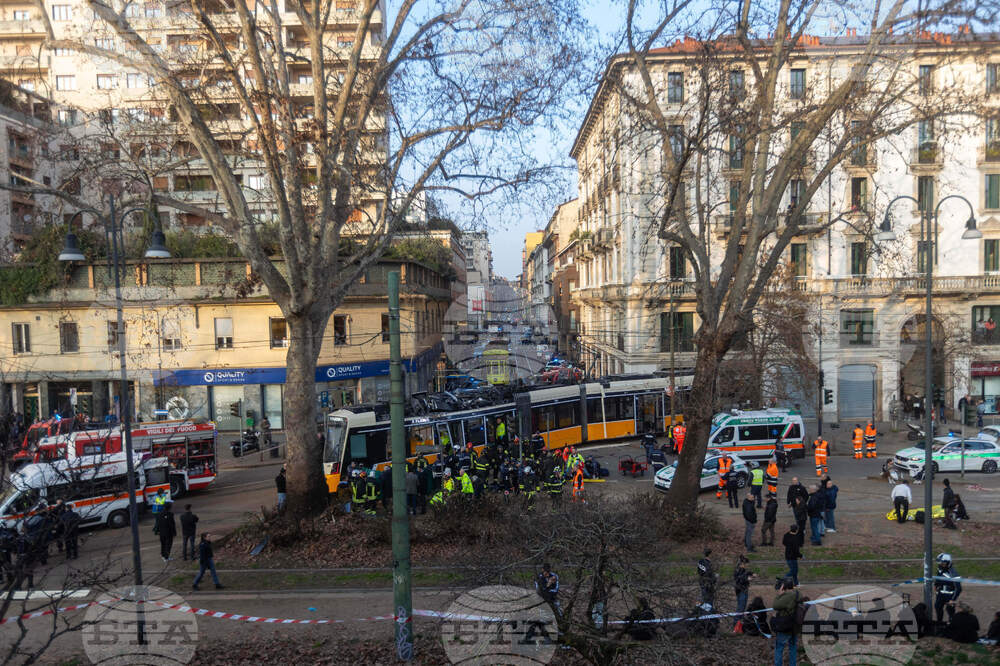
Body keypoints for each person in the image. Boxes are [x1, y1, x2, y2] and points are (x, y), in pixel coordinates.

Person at [772, 578, 801, 666]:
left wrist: (779, 595)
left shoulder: (787, 595)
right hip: (795, 626)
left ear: (784, 586)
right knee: (792, 648)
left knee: (779, 648)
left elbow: (775, 605)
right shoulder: (798, 593)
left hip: (785, 626)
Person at [934, 552, 962, 625]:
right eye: (940, 563)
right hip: (940, 594)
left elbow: (958, 588)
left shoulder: (953, 573)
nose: (940, 564)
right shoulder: (940, 570)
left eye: (942, 563)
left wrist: (952, 599)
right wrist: (936, 586)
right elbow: (938, 579)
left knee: (950, 610)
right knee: (938, 607)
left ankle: (951, 625)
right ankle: (939, 624)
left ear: (948, 563)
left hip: (950, 595)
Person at [733, 554, 754, 619]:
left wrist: (751, 574)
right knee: (741, 609)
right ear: (742, 563)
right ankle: (736, 623)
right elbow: (739, 579)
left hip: (741, 590)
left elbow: (745, 574)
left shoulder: (740, 569)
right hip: (742, 591)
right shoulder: (739, 570)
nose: (747, 566)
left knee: (741, 608)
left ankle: (738, 622)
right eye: (746, 564)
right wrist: (747, 579)